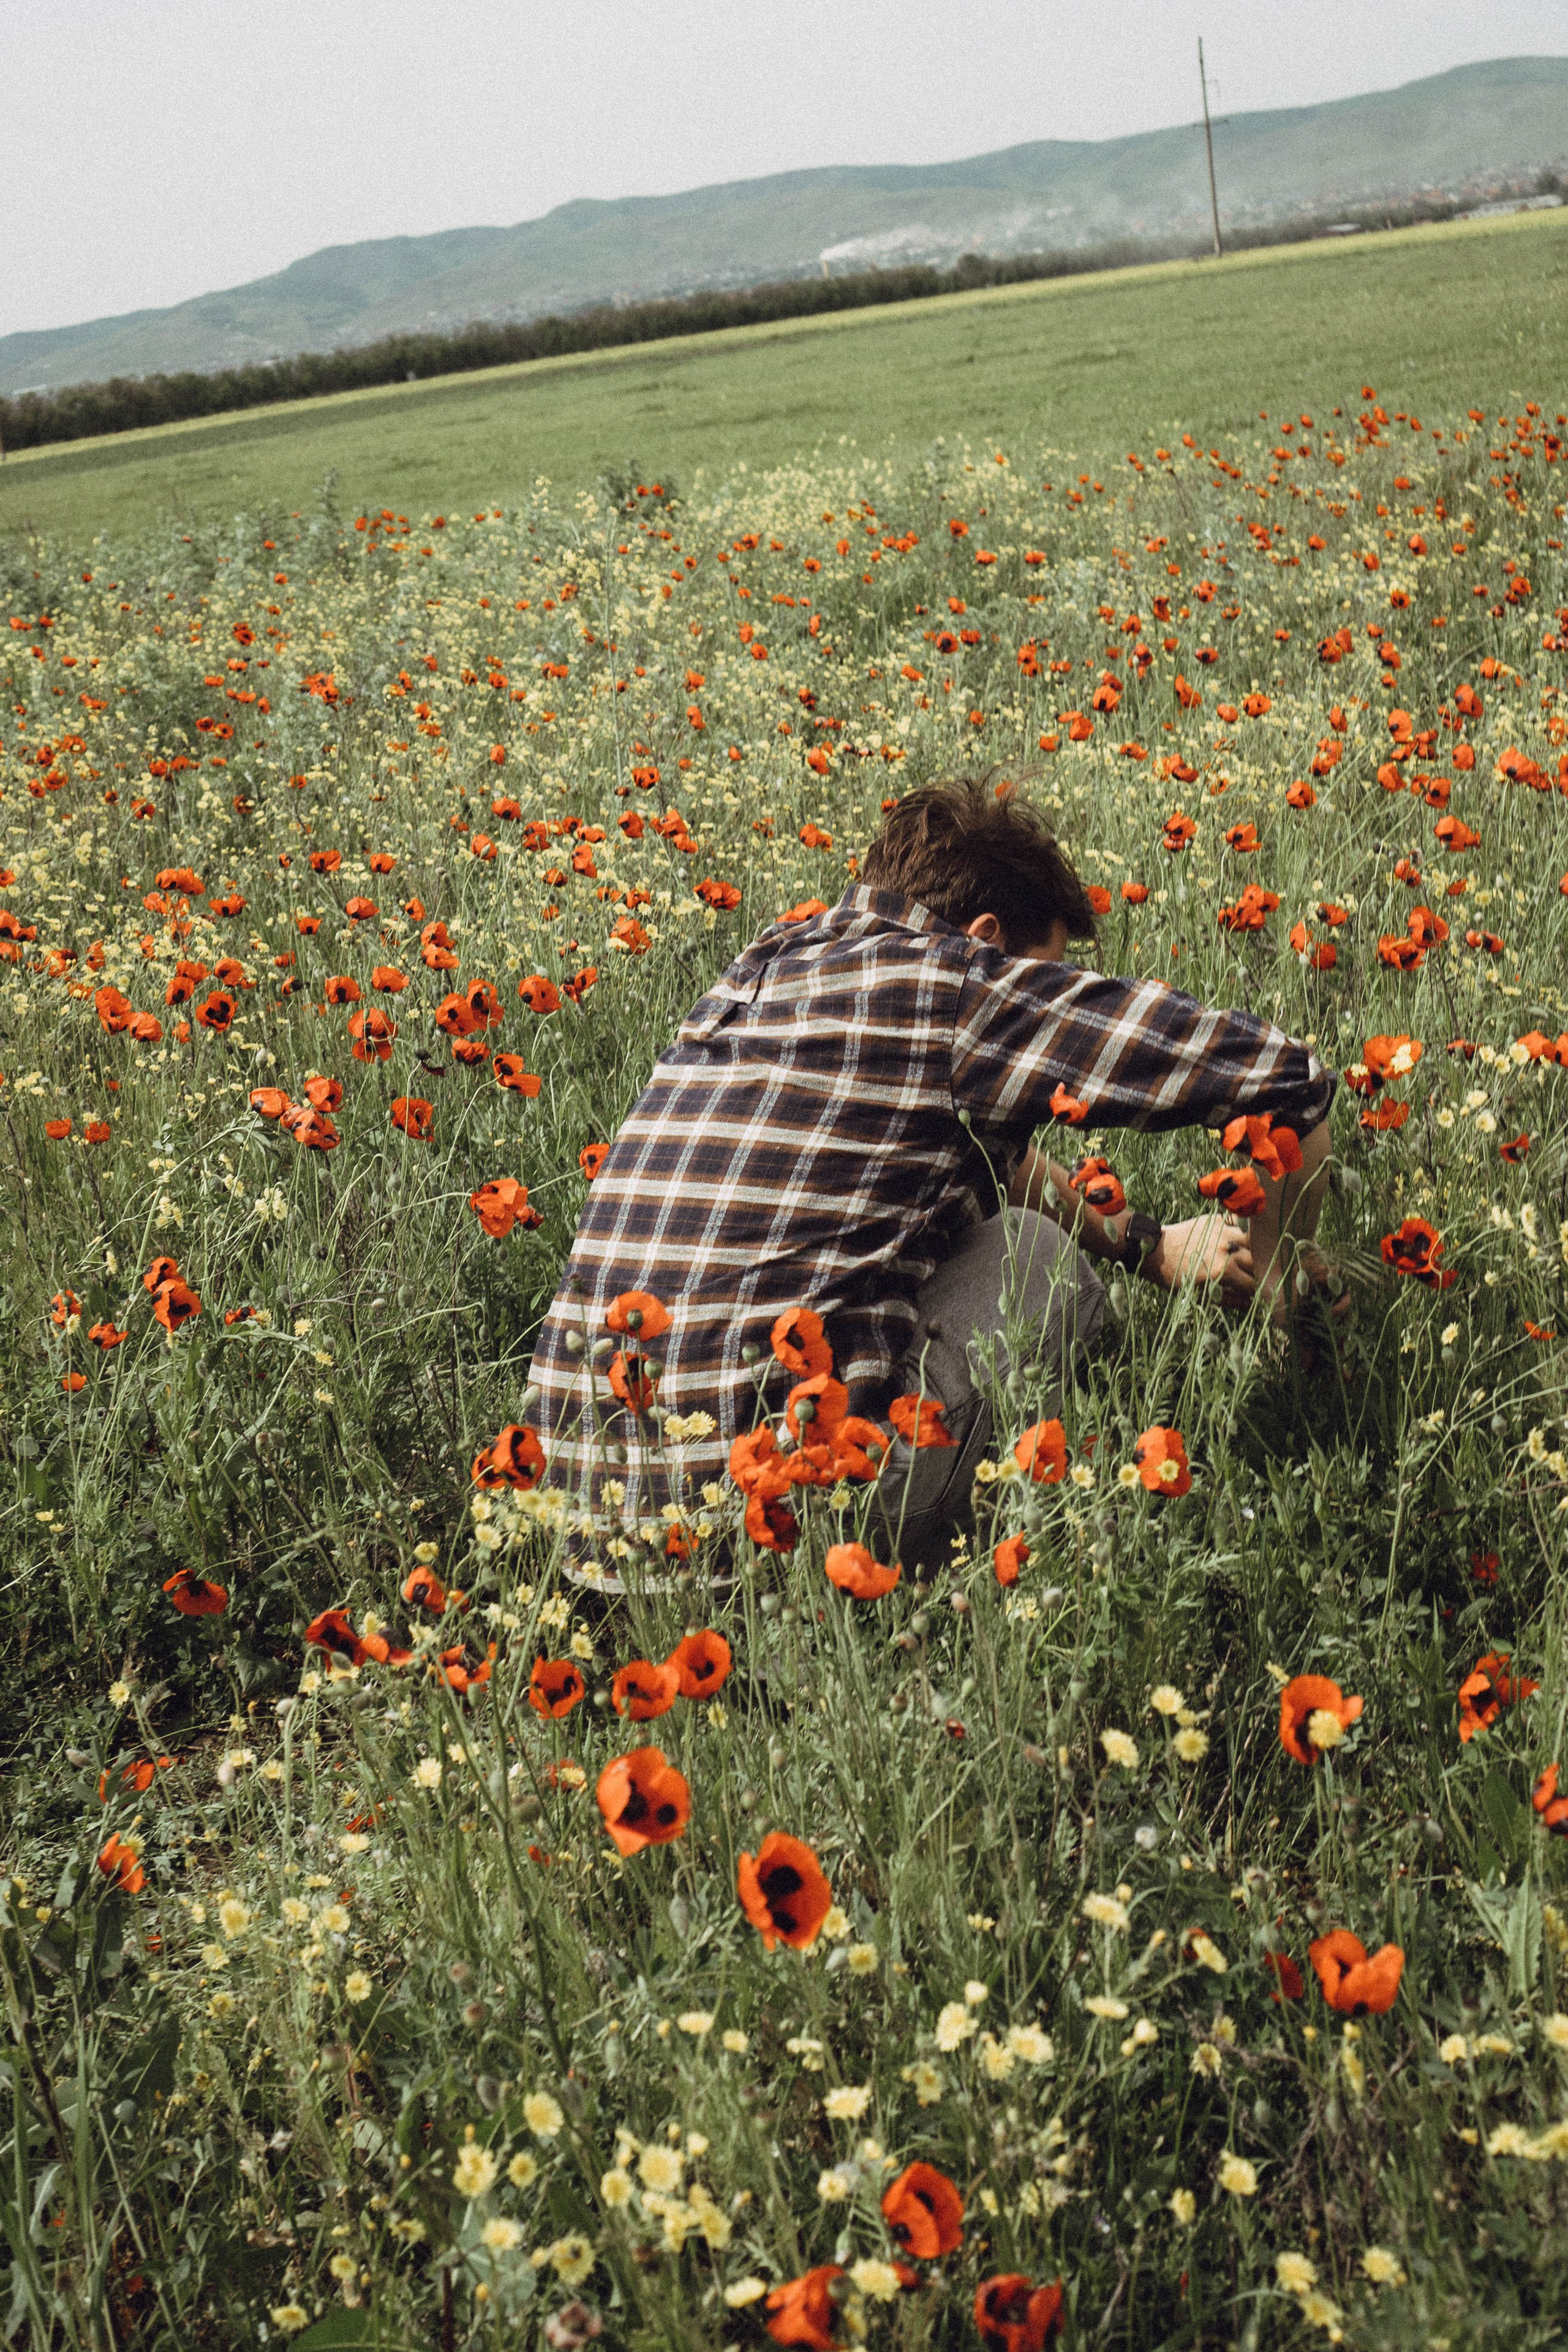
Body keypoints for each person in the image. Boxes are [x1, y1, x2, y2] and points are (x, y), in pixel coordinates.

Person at [527, 777, 1336, 1585]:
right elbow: (1287, 1080)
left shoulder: (763, 969)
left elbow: (995, 1158)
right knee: (1033, 1258)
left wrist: (1150, 1246)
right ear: (984, 938)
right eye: (1043, 972)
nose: (1041, 990)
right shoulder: (958, 985)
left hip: (578, 1524)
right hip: (772, 1538)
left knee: (963, 1222)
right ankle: (970, 1575)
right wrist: (1278, 1291)